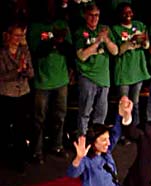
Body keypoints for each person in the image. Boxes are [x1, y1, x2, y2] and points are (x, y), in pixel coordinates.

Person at [27, 1, 75, 164]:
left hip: (61, 79)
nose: (50, 10)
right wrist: (55, 41)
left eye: (53, 7)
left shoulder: (62, 24)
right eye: (47, 6)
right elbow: (37, 51)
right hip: (42, 80)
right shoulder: (35, 27)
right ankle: (37, 150)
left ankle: (57, 145)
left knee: (60, 115)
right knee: (39, 118)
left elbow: (69, 50)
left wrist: (59, 42)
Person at [66, 103, 123, 186]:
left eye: (108, 139)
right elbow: (72, 174)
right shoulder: (87, 160)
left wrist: (120, 114)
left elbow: (116, 133)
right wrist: (78, 158)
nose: (108, 143)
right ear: (93, 142)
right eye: (103, 140)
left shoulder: (106, 153)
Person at [74, 3, 118, 135]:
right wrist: (98, 41)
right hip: (87, 76)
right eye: (91, 15)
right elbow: (82, 56)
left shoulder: (105, 29)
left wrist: (106, 39)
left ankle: (97, 139)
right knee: (85, 111)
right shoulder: (80, 32)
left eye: (97, 15)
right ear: (85, 16)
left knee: (101, 112)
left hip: (103, 77)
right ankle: (82, 138)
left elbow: (115, 51)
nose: (94, 18)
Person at [0, 22, 34, 173]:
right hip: (7, 94)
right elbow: (2, 77)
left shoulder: (24, 51)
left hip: (23, 93)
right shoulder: (2, 53)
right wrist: (17, 70)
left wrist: (25, 70)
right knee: (7, 127)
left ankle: (20, 158)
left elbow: (31, 73)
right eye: (16, 35)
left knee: (22, 126)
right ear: (9, 36)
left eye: (21, 35)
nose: (19, 38)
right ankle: (7, 157)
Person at [111, 2, 151, 126]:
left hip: (138, 70)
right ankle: (120, 132)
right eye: (124, 13)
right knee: (123, 104)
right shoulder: (115, 29)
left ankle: (134, 130)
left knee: (135, 102)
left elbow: (147, 46)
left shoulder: (139, 25)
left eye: (129, 12)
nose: (127, 15)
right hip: (123, 72)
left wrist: (144, 41)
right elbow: (117, 51)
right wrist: (131, 41)